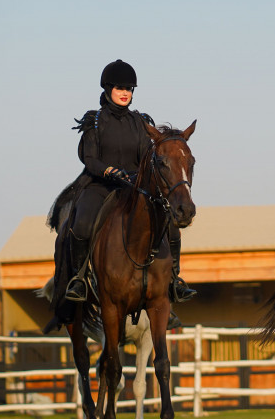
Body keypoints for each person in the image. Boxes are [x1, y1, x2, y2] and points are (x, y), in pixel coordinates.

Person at [48, 60, 195, 319]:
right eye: (119, 87)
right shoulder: (94, 121)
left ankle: (174, 281)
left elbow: (147, 158)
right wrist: (109, 171)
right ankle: (79, 279)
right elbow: (89, 159)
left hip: (134, 187)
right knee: (81, 223)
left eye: (129, 88)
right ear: (107, 89)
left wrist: (138, 177)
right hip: (100, 184)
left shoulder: (141, 122)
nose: (125, 92)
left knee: (170, 224)